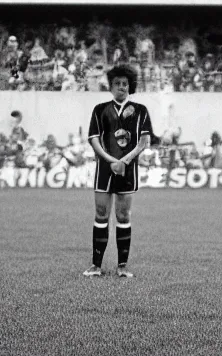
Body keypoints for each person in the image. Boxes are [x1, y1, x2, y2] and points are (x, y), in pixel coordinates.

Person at [83, 65, 153, 278]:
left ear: (130, 86)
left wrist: (125, 160)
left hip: (128, 170)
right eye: (117, 84)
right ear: (111, 86)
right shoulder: (100, 109)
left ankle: (122, 266)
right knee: (101, 214)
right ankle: (96, 266)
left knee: (123, 215)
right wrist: (110, 160)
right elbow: (94, 139)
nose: (121, 87)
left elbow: (144, 141)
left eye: (125, 84)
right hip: (105, 169)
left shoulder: (140, 110)